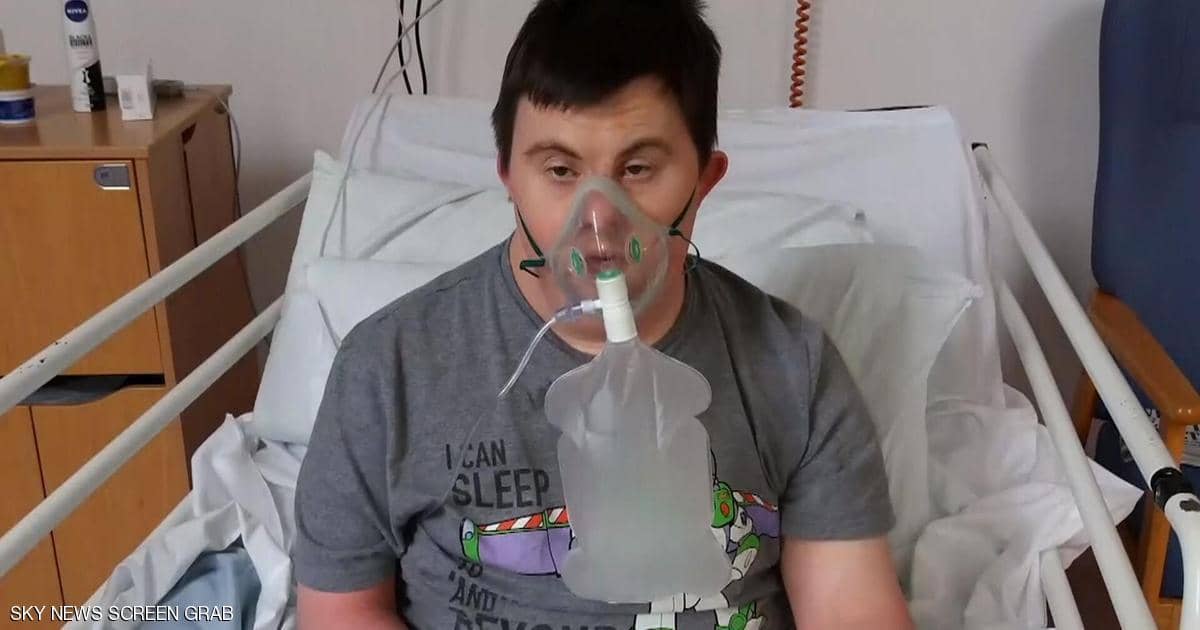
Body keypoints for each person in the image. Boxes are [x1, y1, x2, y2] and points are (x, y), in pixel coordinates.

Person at [294, 1, 913, 628]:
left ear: (704, 180)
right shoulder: (390, 368)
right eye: (560, 170)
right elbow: (340, 612)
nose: (599, 220)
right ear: (508, 175)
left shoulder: (793, 369)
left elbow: (851, 610)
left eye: (638, 169)